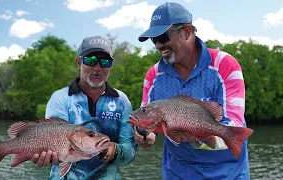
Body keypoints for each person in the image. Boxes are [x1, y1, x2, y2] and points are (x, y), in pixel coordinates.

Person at [133, 2, 251, 180]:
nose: (157, 45)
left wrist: (197, 137)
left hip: (228, 173)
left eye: (163, 37)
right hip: (177, 172)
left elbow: (234, 123)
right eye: (153, 40)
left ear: (187, 31)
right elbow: (146, 116)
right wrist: (145, 135)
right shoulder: (153, 75)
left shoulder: (225, 65)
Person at [31, 35, 136, 179]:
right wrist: (46, 156)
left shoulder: (122, 101)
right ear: (78, 62)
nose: (98, 68)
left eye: (105, 62)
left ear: (111, 65)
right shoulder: (60, 98)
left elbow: (130, 151)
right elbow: (54, 143)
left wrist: (114, 150)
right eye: (91, 60)